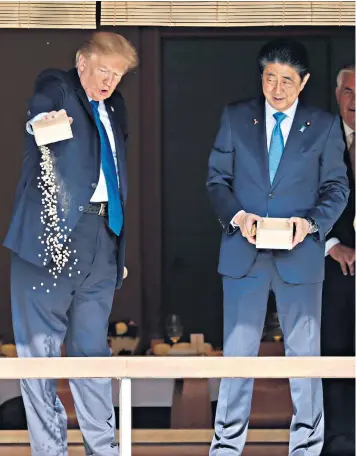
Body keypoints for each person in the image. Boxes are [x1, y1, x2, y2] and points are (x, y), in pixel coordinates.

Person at [206, 38, 349, 456]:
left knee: (305, 359)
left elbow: (337, 187)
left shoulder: (323, 126)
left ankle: (306, 447)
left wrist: (310, 225)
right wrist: (238, 217)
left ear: (303, 82)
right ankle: (226, 448)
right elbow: (217, 180)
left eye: (287, 80)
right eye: (270, 78)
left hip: (300, 255)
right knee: (238, 355)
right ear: (262, 78)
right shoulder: (236, 118)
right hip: (243, 251)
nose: (278, 88)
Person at [3, 32, 138, 456]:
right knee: (39, 355)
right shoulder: (58, 84)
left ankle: (103, 450)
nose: (108, 82)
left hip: (103, 236)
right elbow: (44, 105)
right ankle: (50, 452)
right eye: (102, 70)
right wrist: (44, 121)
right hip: (51, 236)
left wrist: (117, 247)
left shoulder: (114, 106)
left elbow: (112, 173)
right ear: (82, 62)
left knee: (92, 354)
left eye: (117, 75)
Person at [321, 64, 355, 456]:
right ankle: (341, 442)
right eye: (348, 91)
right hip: (333, 269)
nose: (355, 101)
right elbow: (299, 198)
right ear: (337, 95)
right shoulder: (319, 139)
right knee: (336, 353)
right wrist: (330, 244)